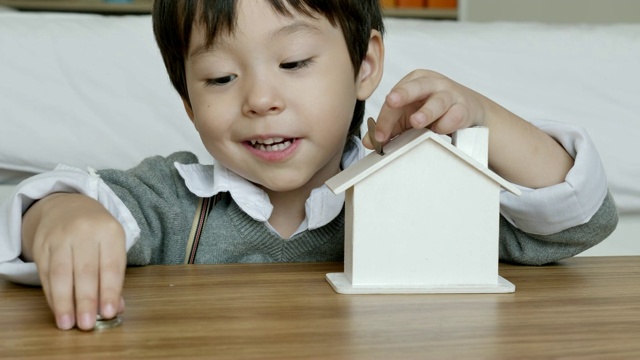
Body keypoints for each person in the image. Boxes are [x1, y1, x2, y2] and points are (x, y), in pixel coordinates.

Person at [0, 0, 617, 331]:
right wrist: (60, 217)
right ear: (188, 104)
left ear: (365, 66)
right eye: (219, 77)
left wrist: (483, 116)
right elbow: (63, 200)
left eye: (294, 63)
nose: (261, 99)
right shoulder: (174, 198)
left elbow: (577, 220)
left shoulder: (415, 186)